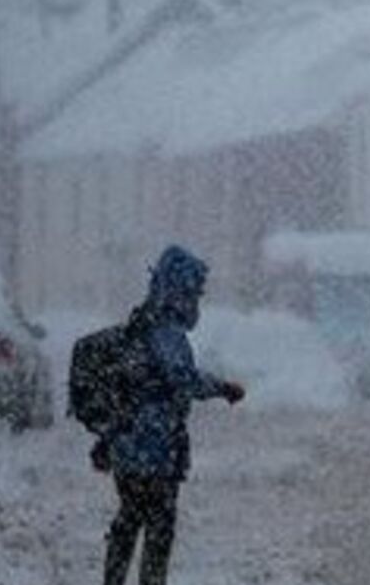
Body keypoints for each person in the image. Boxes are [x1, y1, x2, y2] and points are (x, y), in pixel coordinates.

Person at [99, 245, 245, 585]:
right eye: (194, 292)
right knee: (158, 525)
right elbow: (182, 377)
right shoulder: (165, 331)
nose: (197, 300)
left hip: (129, 444)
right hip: (153, 446)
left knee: (129, 517)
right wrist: (222, 388)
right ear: (181, 291)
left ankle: (114, 580)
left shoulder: (140, 323)